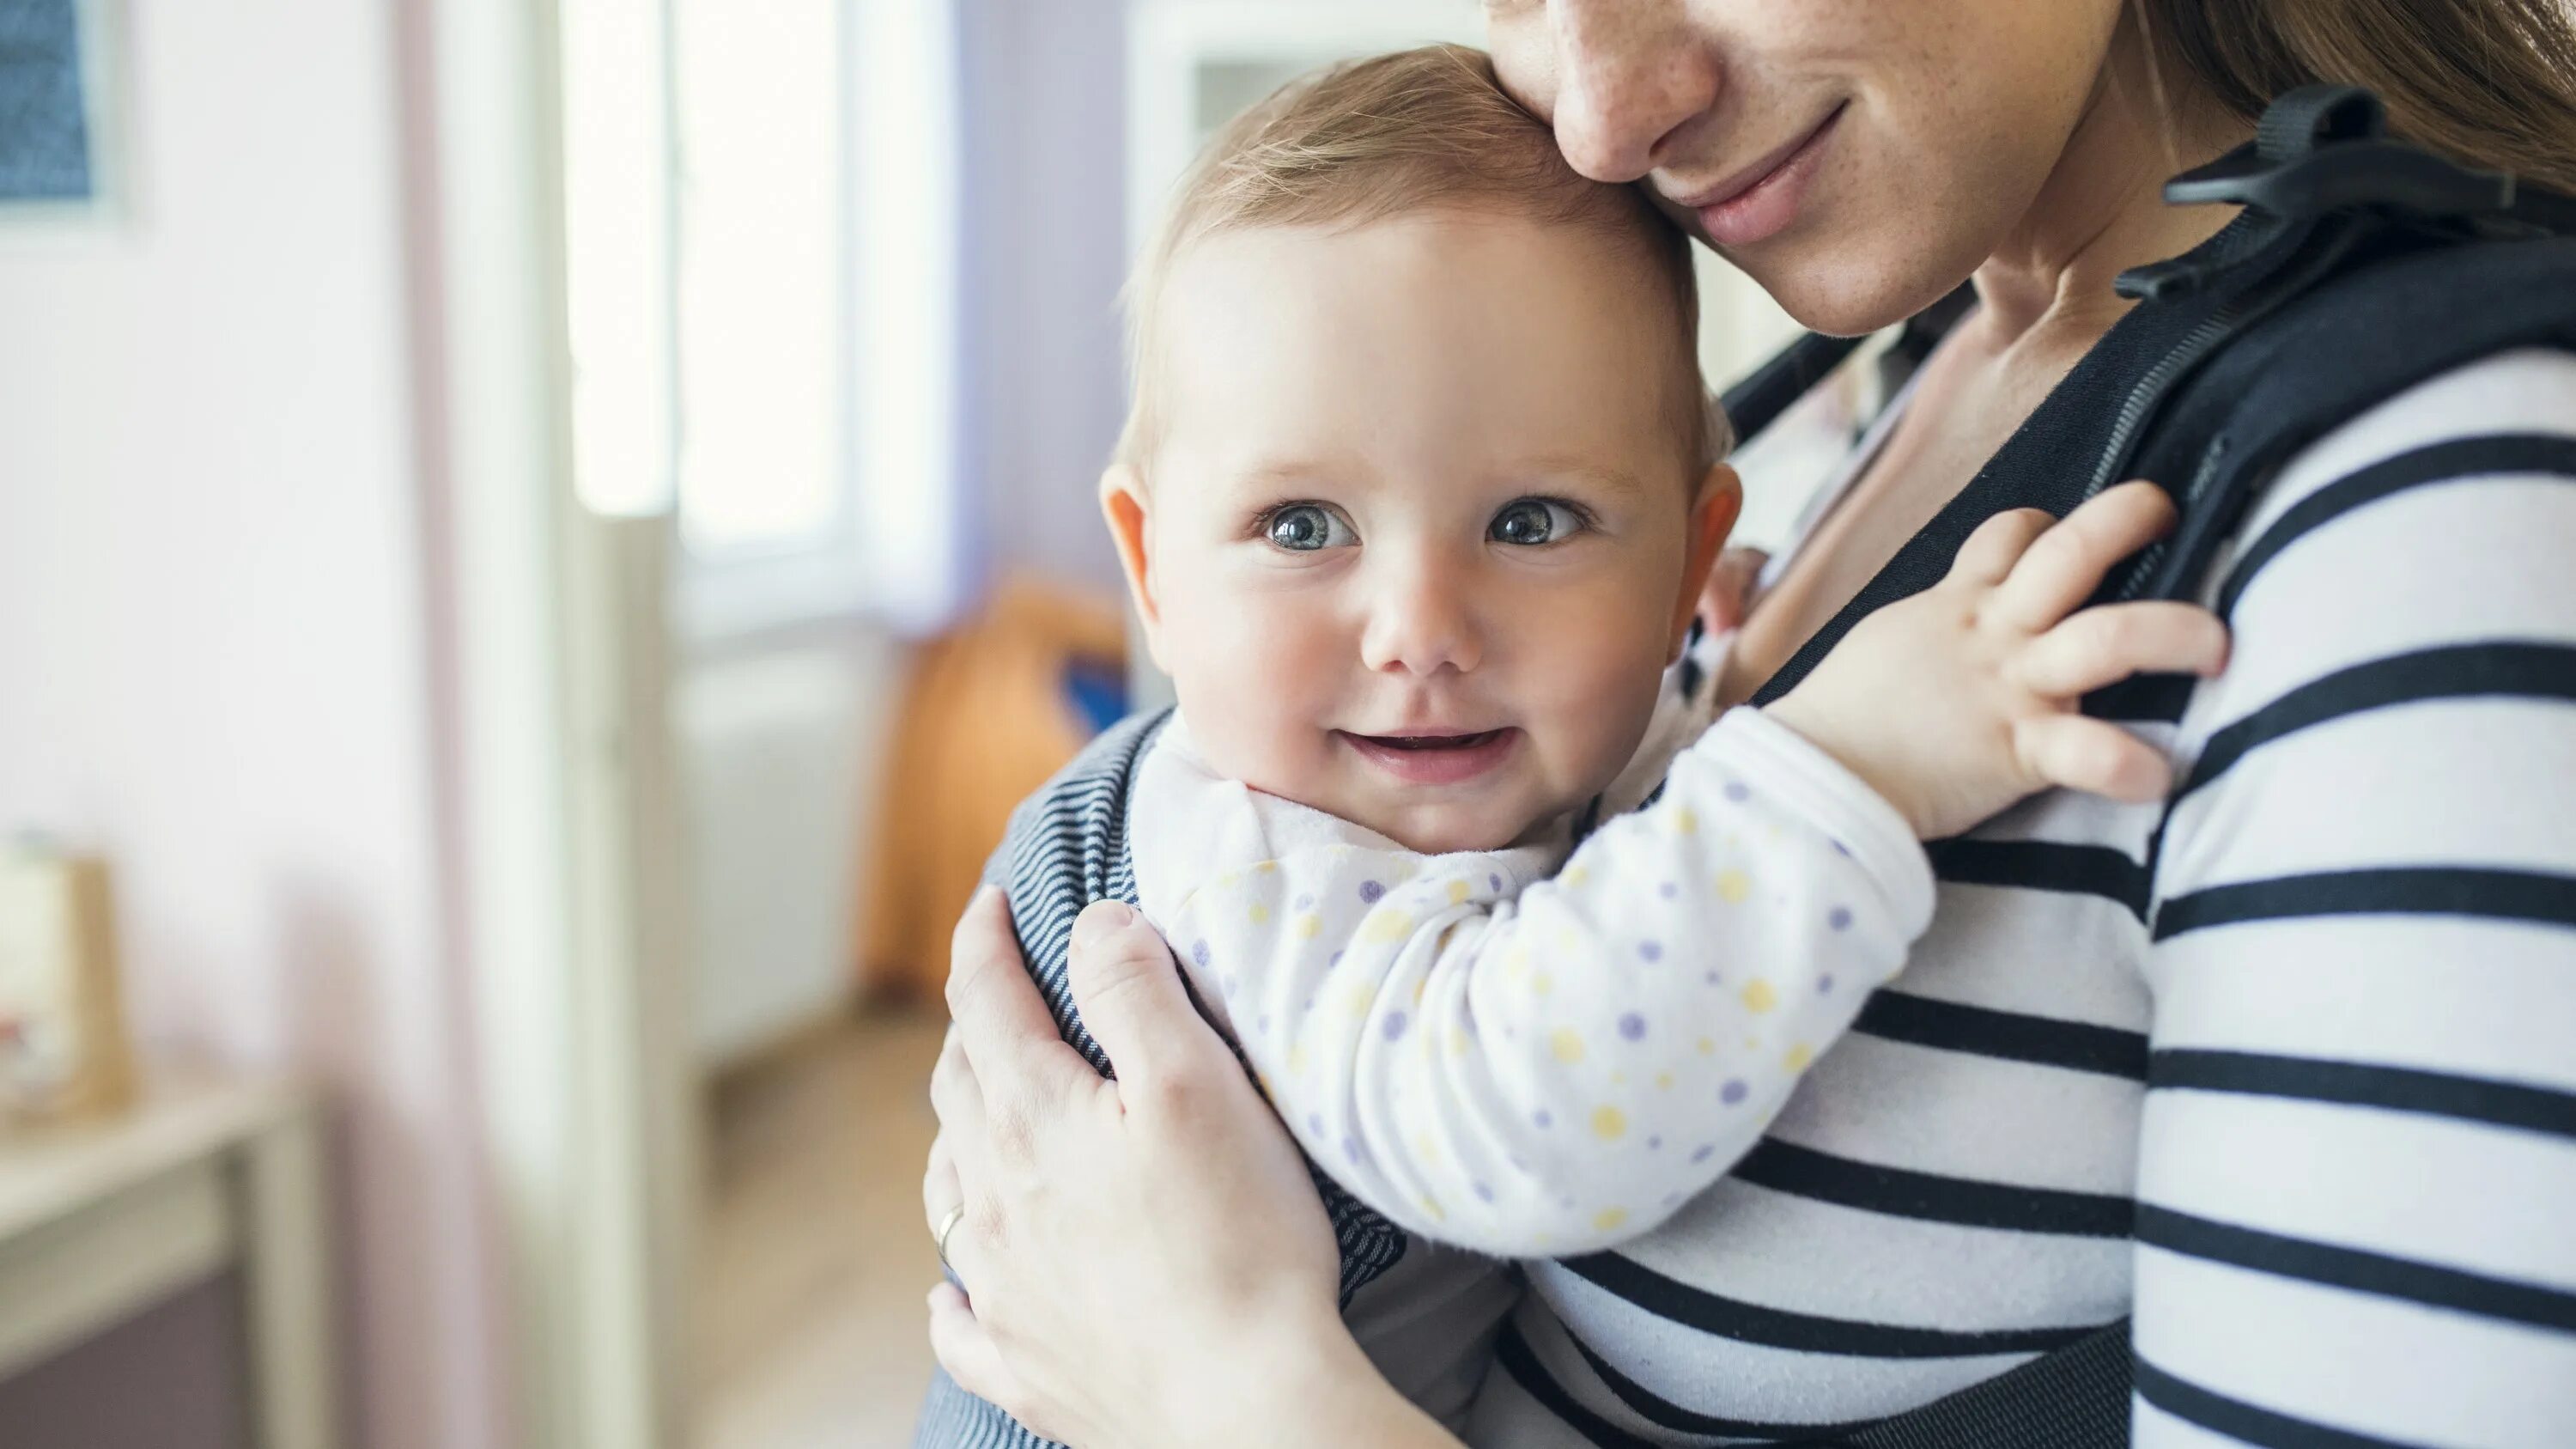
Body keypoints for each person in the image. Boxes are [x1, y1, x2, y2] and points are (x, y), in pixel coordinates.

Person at [923, 2, 2576, 1444]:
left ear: (1685, 534)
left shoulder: (2433, 507)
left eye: (1533, 524)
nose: (1601, 103)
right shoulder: (1894, 377)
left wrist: (1231, 1401)